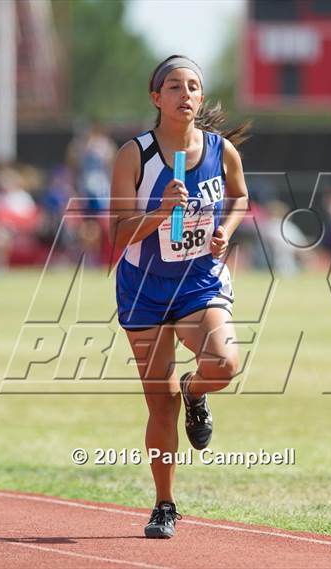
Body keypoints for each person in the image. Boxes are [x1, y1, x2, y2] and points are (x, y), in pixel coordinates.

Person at [110, 55, 249, 539]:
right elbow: (119, 232)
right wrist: (160, 211)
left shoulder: (220, 150)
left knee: (224, 366)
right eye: (174, 86)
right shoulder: (136, 154)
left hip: (198, 282)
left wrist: (226, 231)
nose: (185, 93)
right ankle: (164, 504)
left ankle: (196, 391)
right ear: (156, 98)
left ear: (200, 98)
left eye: (193, 86)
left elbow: (239, 197)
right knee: (159, 406)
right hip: (144, 287)